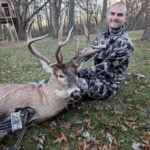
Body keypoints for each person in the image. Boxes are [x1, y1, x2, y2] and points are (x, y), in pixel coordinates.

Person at [77, 2, 134, 100]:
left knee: (68, 85)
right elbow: (88, 51)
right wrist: (72, 63)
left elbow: (105, 67)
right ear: (107, 16)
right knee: (58, 82)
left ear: (125, 18)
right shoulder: (102, 36)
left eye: (119, 15)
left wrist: (77, 72)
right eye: (112, 13)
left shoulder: (125, 43)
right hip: (93, 77)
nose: (115, 17)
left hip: (107, 85)